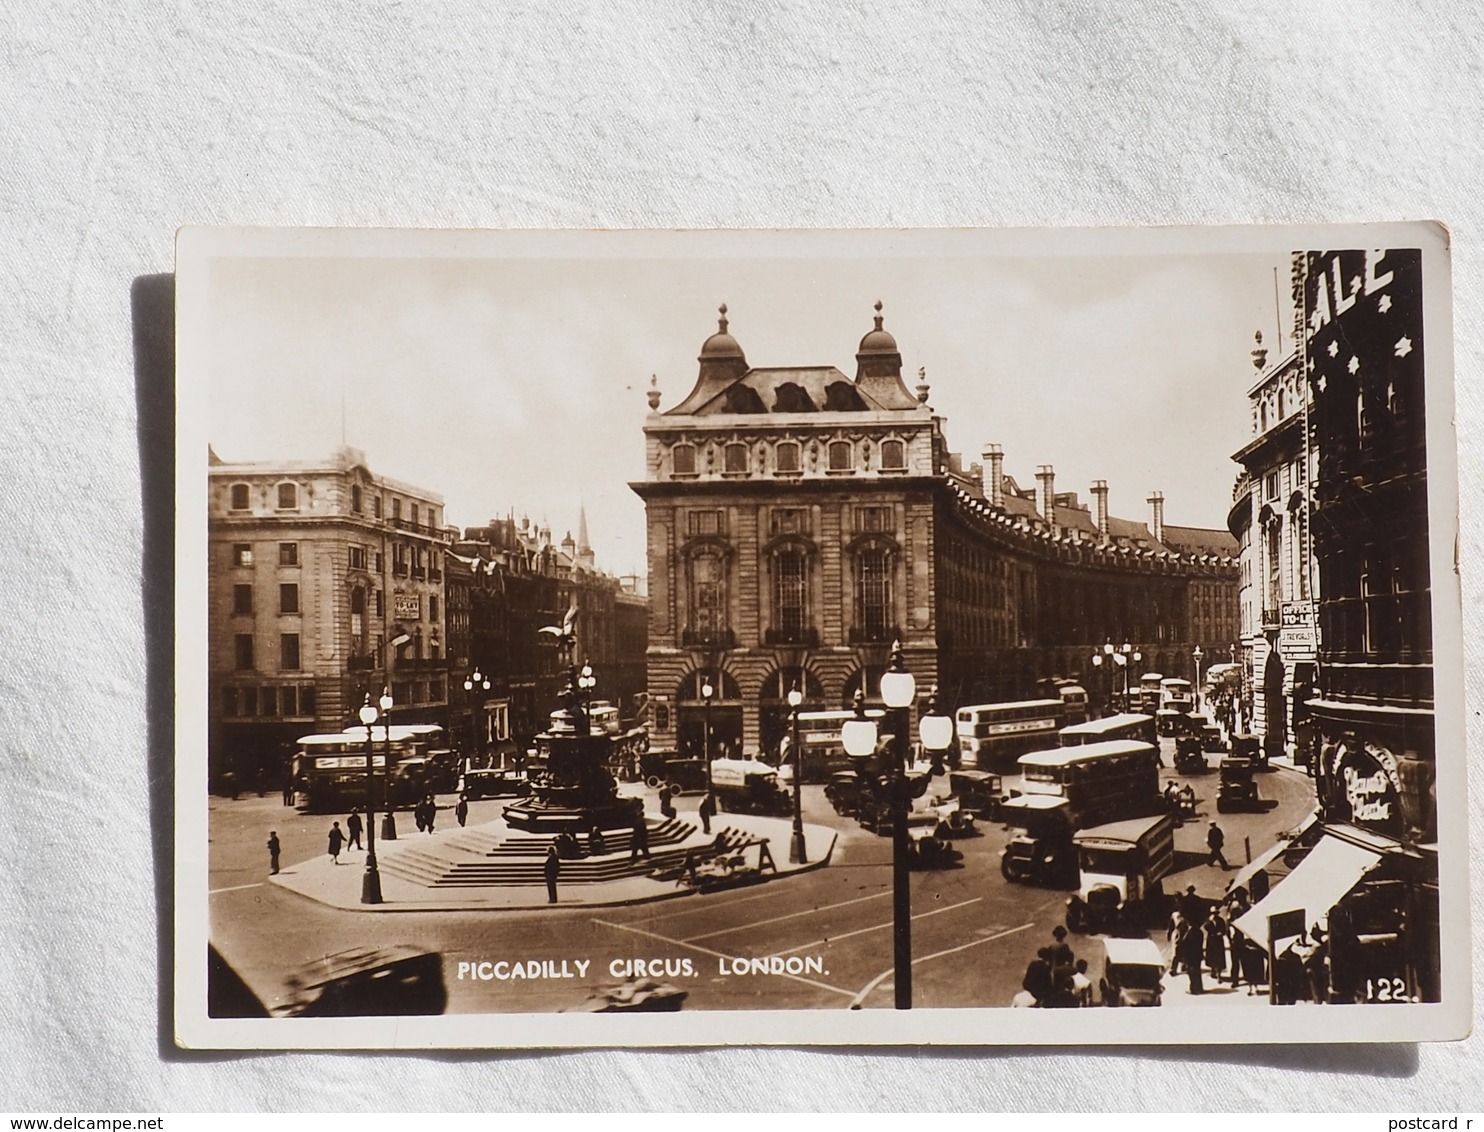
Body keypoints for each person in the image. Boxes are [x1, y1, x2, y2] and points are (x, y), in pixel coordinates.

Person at [1177, 916, 1205, 994]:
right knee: (1197, 971)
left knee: (1191, 972)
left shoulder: (1190, 932)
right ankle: (1199, 988)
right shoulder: (1199, 932)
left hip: (1191, 955)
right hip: (1198, 954)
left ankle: (1194, 989)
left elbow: (1186, 943)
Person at [1204, 911, 1229, 983]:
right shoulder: (1209, 920)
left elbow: (1224, 930)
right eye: (1212, 913)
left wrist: (1221, 933)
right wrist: (1210, 921)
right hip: (1211, 941)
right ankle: (1213, 971)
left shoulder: (1220, 920)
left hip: (1218, 941)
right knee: (1211, 957)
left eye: (1215, 913)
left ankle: (1219, 975)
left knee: (1219, 958)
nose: (1214, 915)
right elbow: (1206, 927)